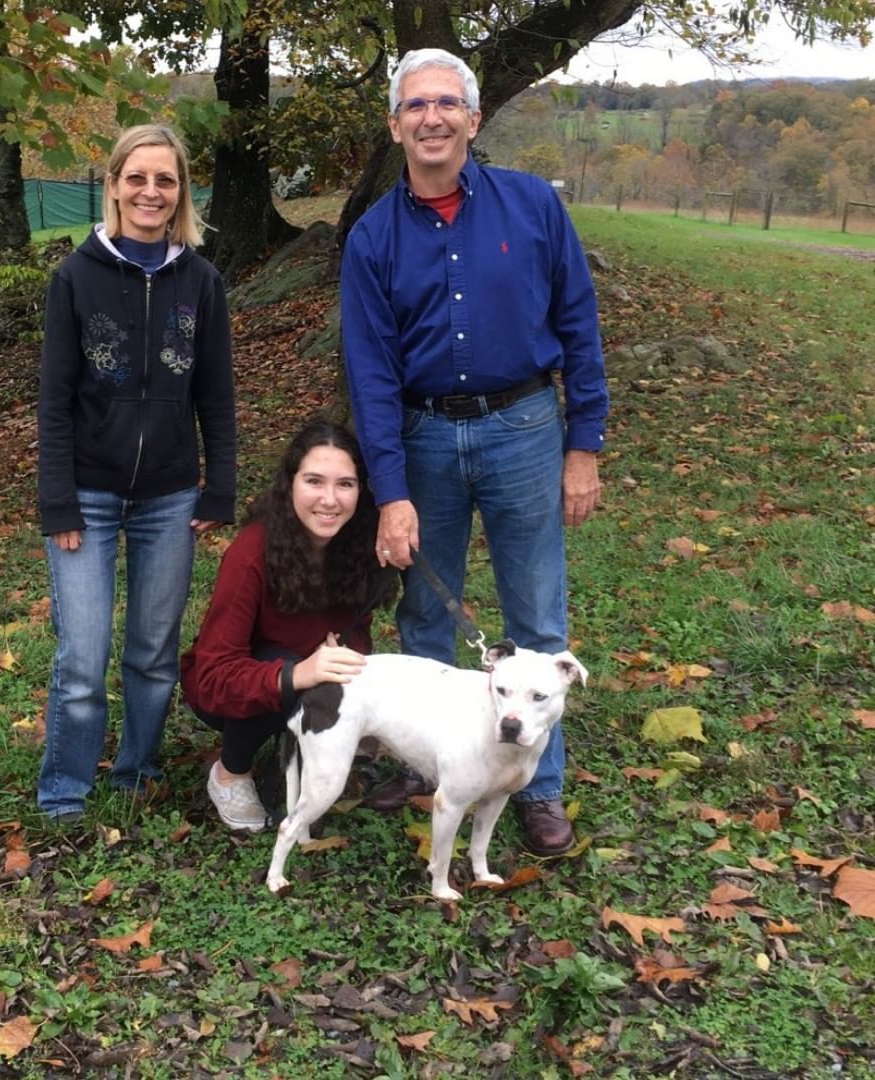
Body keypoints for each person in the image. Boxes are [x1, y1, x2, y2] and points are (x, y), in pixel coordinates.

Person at [339, 48, 609, 855]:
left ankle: (539, 785)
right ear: (395, 125)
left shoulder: (531, 207)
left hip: (525, 426)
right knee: (426, 605)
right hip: (422, 434)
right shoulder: (372, 239)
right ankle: (432, 766)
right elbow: (370, 374)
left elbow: (579, 327)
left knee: (536, 612)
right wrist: (390, 491)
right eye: (415, 106)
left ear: (473, 118)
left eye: (446, 104)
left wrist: (583, 444)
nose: (432, 118)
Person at [36, 123, 236, 822]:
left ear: (180, 192)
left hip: (170, 496)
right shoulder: (75, 276)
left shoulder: (201, 281)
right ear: (115, 183)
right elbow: (54, 399)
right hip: (86, 496)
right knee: (82, 658)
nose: (151, 192)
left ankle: (137, 770)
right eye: (138, 178)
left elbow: (216, 393)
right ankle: (65, 787)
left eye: (166, 180)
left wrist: (220, 485)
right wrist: (57, 501)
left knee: (153, 652)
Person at [180, 419, 388, 831]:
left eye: (345, 484)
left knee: (337, 671)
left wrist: (346, 655)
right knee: (287, 664)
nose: (330, 500)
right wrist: (297, 673)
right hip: (231, 689)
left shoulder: (358, 546)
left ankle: (306, 748)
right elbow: (213, 675)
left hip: (310, 677)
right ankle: (230, 772)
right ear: (290, 483)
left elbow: (358, 630)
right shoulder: (252, 553)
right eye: (314, 481)